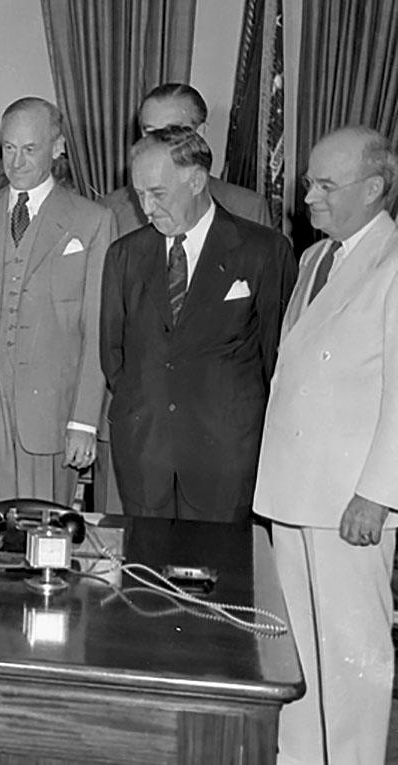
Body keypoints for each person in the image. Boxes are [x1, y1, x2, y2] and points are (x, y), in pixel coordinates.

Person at [254, 126, 398, 764]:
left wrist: (378, 494)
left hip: (349, 503)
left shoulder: (394, 266)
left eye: (325, 185)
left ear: (374, 189)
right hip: (293, 490)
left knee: (353, 653)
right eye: (309, 181)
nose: (307, 195)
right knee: (301, 650)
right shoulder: (315, 258)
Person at [100, 126, 295, 523]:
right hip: (146, 458)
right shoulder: (125, 256)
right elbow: (114, 356)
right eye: (139, 195)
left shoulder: (263, 250)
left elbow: (276, 361)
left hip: (226, 460)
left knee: (221, 578)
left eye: (157, 193)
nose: (147, 208)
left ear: (196, 180)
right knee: (146, 575)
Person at [0, 97, 114, 506]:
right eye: (8, 149)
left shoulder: (93, 221)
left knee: (42, 536)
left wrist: (84, 420)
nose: (16, 162)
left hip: (51, 417)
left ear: (58, 147)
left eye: (30, 149)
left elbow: (95, 328)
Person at [99, 83, 272, 239]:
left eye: (172, 132)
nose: (160, 145)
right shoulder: (111, 212)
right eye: (151, 133)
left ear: (201, 133)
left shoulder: (248, 209)